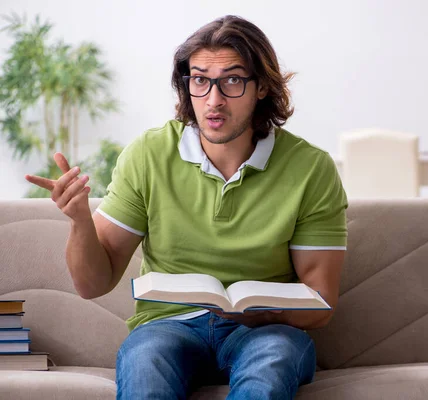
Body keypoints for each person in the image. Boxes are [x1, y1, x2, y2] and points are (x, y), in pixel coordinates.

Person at [25, 15, 348, 400]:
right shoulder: (148, 155)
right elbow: (92, 284)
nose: (213, 100)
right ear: (187, 84)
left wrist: (254, 313)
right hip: (166, 326)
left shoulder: (310, 168)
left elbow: (321, 303)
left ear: (261, 86)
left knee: (272, 361)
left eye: (232, 80)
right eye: (200, 80)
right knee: (146, 365)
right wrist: (79, 220)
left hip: (265, 331)